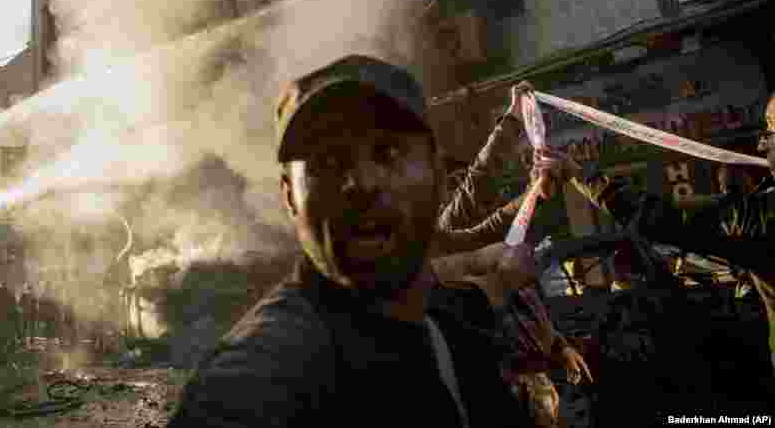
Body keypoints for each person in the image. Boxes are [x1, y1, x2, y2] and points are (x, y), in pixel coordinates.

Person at [167, 54, 531, 427]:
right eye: (328, 162)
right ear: (289, 197)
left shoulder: (448, 338)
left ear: (437, 175)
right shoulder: (251, 383)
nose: (362, 183)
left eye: (387, 153)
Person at [433, 83, 592, 428]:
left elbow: (528, 307)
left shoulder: (497, 250)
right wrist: (513, 120)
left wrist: (558, 347)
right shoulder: (442, 244)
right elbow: (481, 184)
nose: (464, 187)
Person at [586, 93, 775, 382]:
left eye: (771, 131)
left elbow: (667, 220)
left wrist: (585, 178)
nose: (761, 143)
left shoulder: (764, 215)